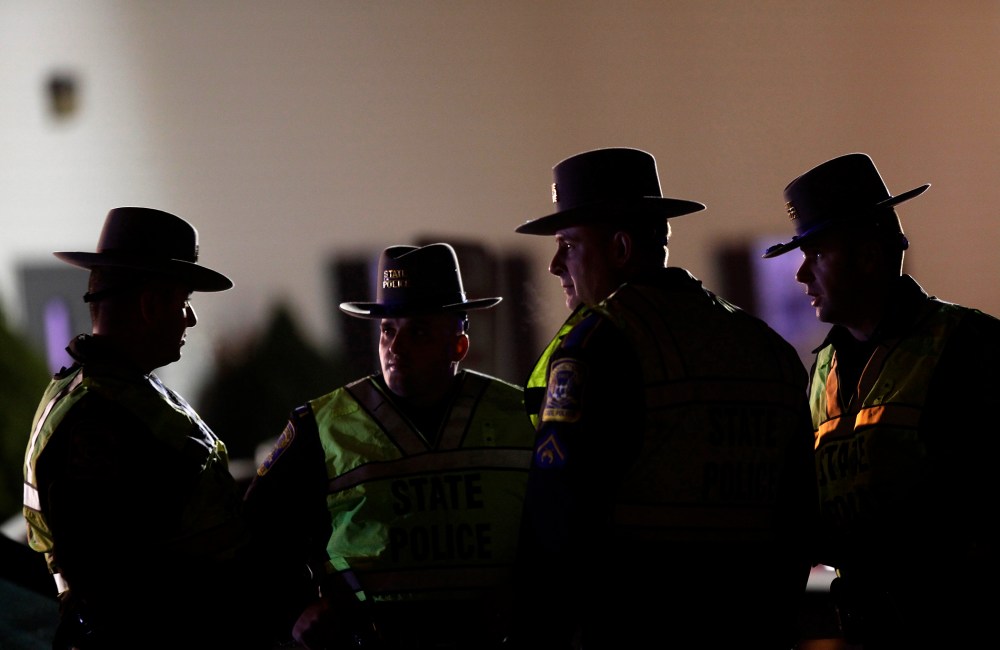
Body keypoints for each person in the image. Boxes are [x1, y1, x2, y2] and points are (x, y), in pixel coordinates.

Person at [507, 147, 819, 649]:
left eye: (568, 244)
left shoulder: (599, 345)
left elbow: (557, 522)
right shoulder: (767, 349)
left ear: (621, 248)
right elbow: (799, 517)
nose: (555, 265)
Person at [243, 243, 536, 649]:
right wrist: (296, 609)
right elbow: (256, 533)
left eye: (418, 332)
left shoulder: (523, 417)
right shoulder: (323, 424)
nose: (395, 348)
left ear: (459, 345)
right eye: (387, 330)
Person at [762, 152, 1000, 649]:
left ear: (870, 256)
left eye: (817, 254)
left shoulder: (969, 346)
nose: (802, 275)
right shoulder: (823, 367)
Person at [21, 207, 271, 649]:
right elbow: (113, 583)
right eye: (184, 301)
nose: (190, 319)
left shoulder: (118, 394)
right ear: (151, 305)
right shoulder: (98, 421)